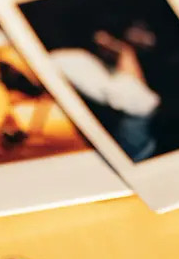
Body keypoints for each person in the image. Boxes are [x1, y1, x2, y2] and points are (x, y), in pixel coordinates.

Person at [51, 24, 161, 162]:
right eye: (141, 30)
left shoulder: (112, 65)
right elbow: (138, 105)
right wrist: (126, 53)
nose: (147, 40)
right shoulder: (72, 59)